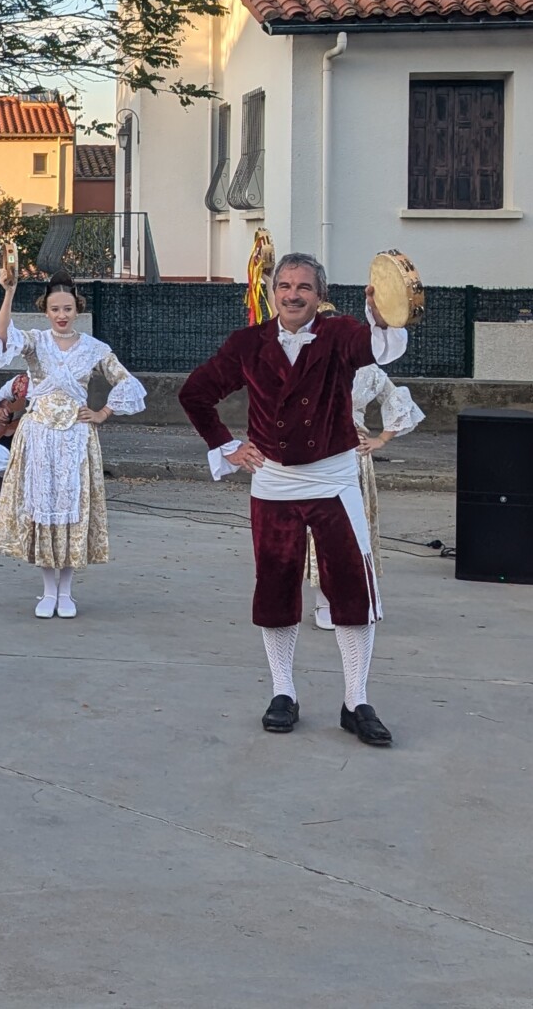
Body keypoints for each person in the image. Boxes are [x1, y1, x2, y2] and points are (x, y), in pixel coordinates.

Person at [178, 252, 408, 747]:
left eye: (303, 286)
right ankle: (283, 692)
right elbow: (195, 392)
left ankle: (356, 701)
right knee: (277, 587)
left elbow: (378, 348)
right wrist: (228, 445)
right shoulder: (248, 344)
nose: (292, 294)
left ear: (319, 294)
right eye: (283, 285)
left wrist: (383, 314)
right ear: (272, 291)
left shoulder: (340, 334)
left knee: (352, 590)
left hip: (334, 481)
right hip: (274, 485)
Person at [0, 268, 145, 618]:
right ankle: (47, 591)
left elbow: (127, 382)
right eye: (56, 309)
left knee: (72, 509)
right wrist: (9, 292)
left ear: (78, 310)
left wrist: (103, 412)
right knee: (43, 509)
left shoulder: (94, 349)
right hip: (39, 436)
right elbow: (4, 335)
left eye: (68, 309)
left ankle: (67, 591)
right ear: (46, 310)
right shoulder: (36, 342)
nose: (62, 315)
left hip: (75, 438)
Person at [307, 364, 424, 630]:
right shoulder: (307, 357)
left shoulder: (367, 369)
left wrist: (381, 439)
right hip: (315, 451)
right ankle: (324, 600)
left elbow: (398, 400)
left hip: (353, 453)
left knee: (353, 527)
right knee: (320, 527)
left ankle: (354, 596)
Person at [0, 372, 31, 475]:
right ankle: (9, 486)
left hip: (38, 436)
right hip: (14, 433)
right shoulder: (20, 382)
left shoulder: (59, 384)